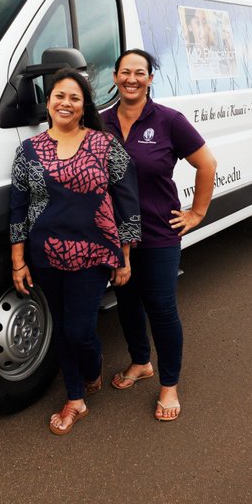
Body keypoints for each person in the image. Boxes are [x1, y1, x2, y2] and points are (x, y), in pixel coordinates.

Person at [9, 68, 141, 435]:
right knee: (63, 330)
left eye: (74, 97)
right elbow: (18, 207)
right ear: (48, 103)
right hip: (45, 256)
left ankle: (93, 365)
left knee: (79, 331)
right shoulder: (28, 151)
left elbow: (127, 201)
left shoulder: (104, 144)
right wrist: (18, 261)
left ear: (84, 106)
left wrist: (125, 256)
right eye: (59, 96)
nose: (65, 103)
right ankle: (75, 399)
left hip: (94, 254)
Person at [102, 48, 217, 422]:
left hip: (160, 233)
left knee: (162, 309)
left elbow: (206, 164)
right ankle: (140, 363)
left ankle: (169, 385)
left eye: (139, 72)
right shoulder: (100, 123)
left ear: (150, 79)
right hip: (117, 238)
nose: (131, 79)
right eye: (124, 72)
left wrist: (197, 212)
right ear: (115, 77)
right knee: (128, 303)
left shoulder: (169, 120)